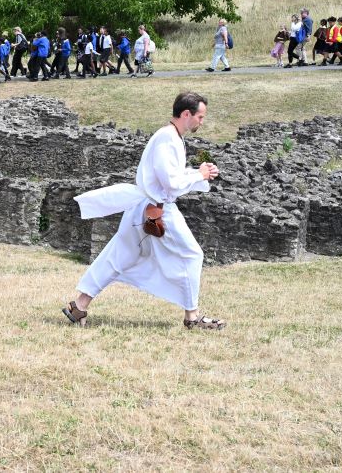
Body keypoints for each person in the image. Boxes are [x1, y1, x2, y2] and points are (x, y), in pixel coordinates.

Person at [62, 92, 225, 330]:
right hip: (157, 210)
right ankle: (192, 317)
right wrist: (198, 175)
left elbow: (170, 177)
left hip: (149, 209)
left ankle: (79, 306)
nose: (202, 122)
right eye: (200, 117)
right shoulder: (166, 138)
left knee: (120, 255)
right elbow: (169, 183)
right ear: (186, 114)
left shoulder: (172, 137)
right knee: (192, 255)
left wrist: (198, 173)